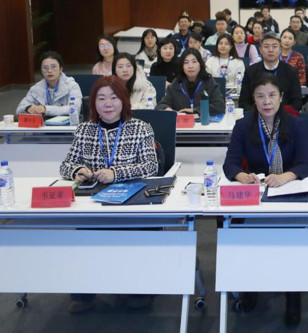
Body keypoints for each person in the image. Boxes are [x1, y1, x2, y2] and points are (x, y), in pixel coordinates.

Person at [59, 75, 158, 313]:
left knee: (132, 235)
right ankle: (84, 293)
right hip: (94, 201)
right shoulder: (85, 129)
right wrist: (78, 170)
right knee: (85, 236)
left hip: (131, 199)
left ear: (123, 100)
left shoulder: (140, 127)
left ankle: (137, 288)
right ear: (93, 103)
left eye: (113, 98)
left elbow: (151, 166)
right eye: (101, 99)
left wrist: (116, 173)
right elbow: (65, 165)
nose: (108, 104)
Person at [223, 74, 308, 326]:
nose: (266, 101)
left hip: (288, 191)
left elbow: (304, 164)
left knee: (289, 246)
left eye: (272, 95)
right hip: (256, 194)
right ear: (254, 99)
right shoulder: (243, 126)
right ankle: (250, 286)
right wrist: (243, 176)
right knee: (248, 240)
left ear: (281, 97)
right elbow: (230, 164)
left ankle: (293, 296)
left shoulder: (296, 125)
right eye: (260, 96)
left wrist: (285, 177)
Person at [238, 33, 303, 112]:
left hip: (283, 116)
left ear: (280, 49)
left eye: (274, 46)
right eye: (266, 46)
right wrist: (258, 114)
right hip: (257, 116)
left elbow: (297, 101)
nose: (270, 50)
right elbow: (243, 101)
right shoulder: (250, 71)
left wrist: (280, 114)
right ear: (260, 50)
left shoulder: (291, 71)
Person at [156, 48, 225, 116]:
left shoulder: (208, 82)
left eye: (194, 62)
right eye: (186, 62)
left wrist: (195, 110)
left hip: (204, 122)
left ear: (200, 64)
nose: (190, 66)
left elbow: (220, 106)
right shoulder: (177, 83)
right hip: (182, 122)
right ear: (182, 66)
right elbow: (161, 105)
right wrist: (167, 109)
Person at [16, 51, 83, 119]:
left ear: (60, 69)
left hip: (66, 123)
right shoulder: (36, 88)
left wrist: (46, 109)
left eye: (53, 67)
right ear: (41, 71)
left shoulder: (72, 86)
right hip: (43, 124)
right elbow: (19, 109)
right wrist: (27, 108)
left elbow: (75, 108)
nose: (49, 71)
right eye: (45, 67)